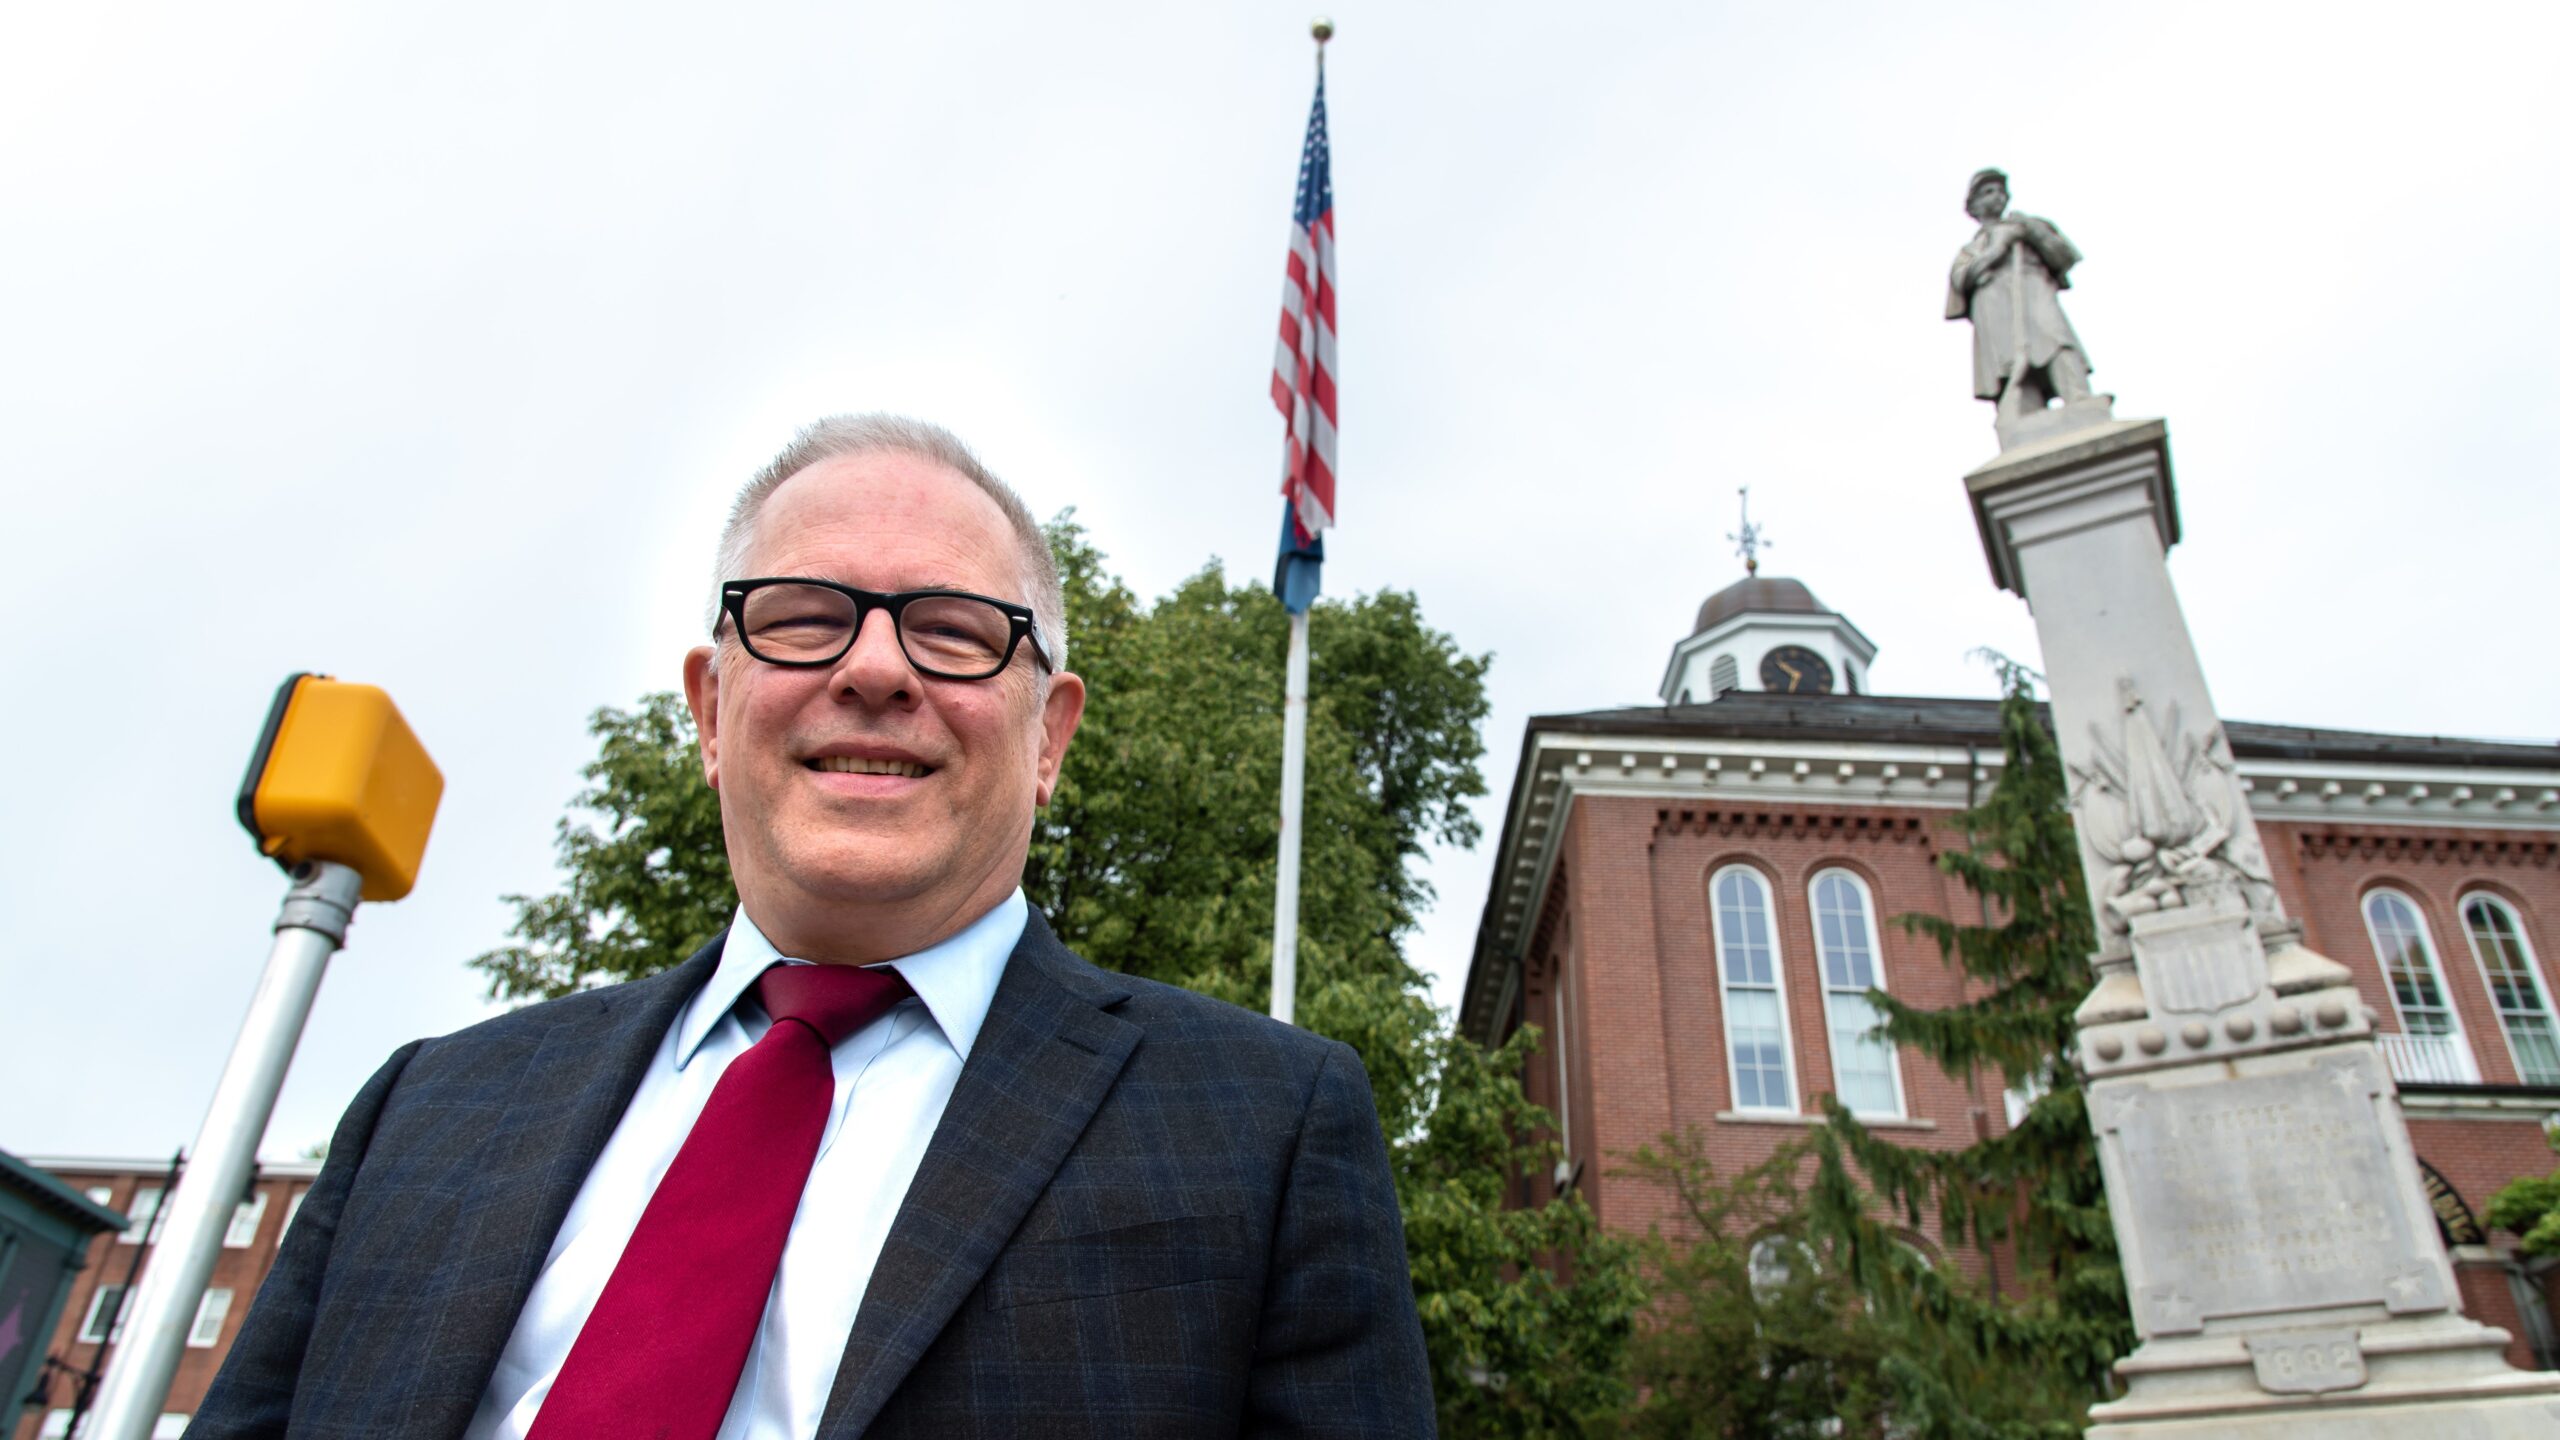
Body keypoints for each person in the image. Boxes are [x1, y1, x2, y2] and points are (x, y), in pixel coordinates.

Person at [193, 415, 1436, 1439]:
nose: (877, 669)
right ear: (711, 709)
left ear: (1049, 735)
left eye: (952, 630)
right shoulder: (424, 1110)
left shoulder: (1264, 1128)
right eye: (801, 616)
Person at [1945, 167, 2095, 419]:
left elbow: (2064, 256)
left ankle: (2078, 396)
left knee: (2055, 338)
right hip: (1994, 303)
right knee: (2011, 360)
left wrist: (2029, 231)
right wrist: (1997, 248)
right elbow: (1961, 279)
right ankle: (2024, 412)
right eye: (1988, 192)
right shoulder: (1970, 249)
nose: (1998, 196)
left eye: (2001, 191)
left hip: (2032, 287)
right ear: (1975, 205)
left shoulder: (2029, 226)